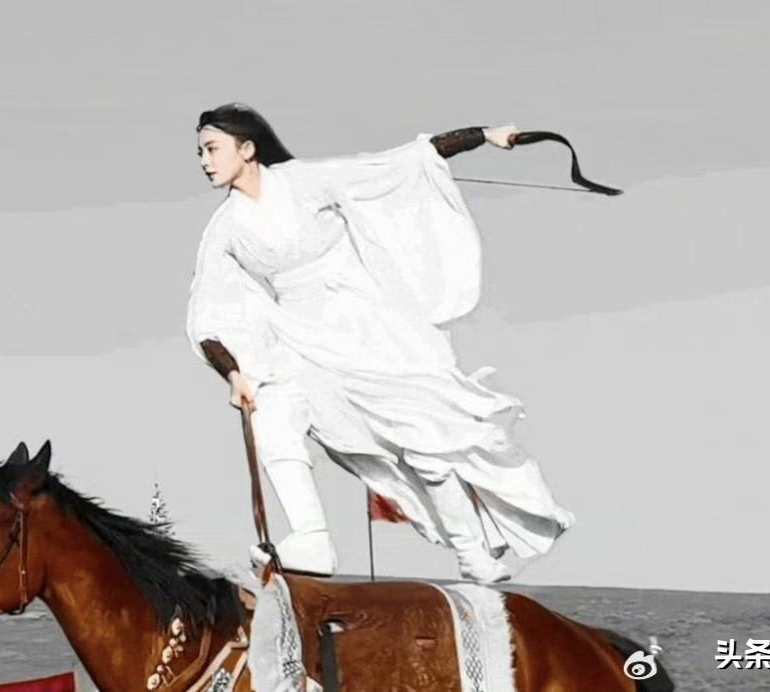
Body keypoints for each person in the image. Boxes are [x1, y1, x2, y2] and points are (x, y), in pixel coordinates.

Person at [187, 103, 576, 584]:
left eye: (211, 149)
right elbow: (206, 316)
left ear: (246, 149)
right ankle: (312, 539)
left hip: (368, 326)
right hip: (300, 340)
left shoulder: (304, 182)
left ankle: (471, 552)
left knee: (426, 441)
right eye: (200, 152)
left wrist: (484, 135)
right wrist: (233, 373)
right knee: (273, 416)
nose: (204, 161)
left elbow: (397, 164)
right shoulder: (225, 227)